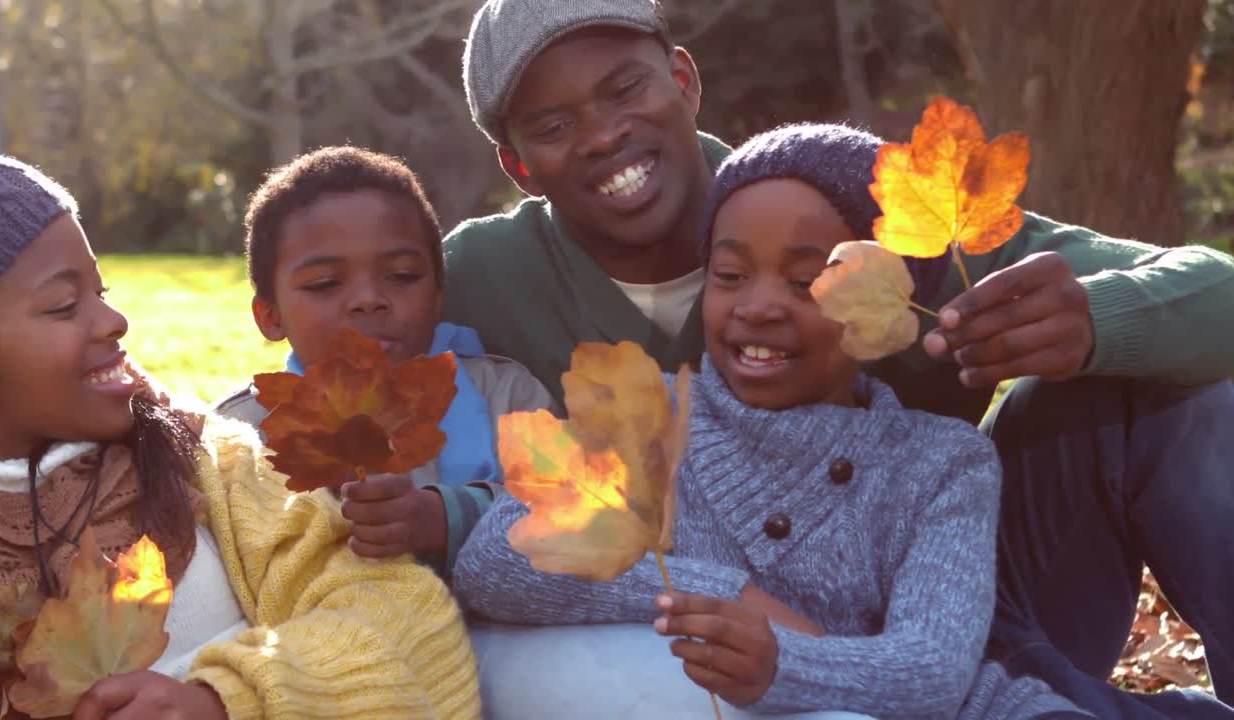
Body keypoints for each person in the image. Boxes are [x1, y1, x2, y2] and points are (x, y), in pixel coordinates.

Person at [444, 1, 1234, 715]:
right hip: (734, 651)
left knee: (1179, 387)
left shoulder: (845, 199)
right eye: (552, 126)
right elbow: (349, 376)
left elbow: (1215, 297)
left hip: (959, 590)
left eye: (625, 89)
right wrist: (740, 604)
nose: (604, 134)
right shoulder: (479, 279)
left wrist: (1099, 320)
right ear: (519, 167)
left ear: (683, 80)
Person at [454, 123, 1091, 720]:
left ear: (884, 306)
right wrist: (726, 598)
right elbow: (497, 558)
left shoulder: (941, 463)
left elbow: (935, 669)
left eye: (808, 281)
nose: (758, 307)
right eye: (730, 276)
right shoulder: (653, 420)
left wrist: (783, 661)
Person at [0, 147, 481, 719]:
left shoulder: (207, 461)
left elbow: (403, 618)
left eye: (101, 294)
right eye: (62, 306)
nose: (114, 322)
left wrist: (222, 702)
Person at [215, 146, 554, 579]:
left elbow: (573, 510)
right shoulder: (242, 434)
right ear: (270, 316)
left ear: (438, 296)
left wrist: (442, 517)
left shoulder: (505, 396)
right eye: (324, 284)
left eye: (401, 276)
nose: (369, 299)